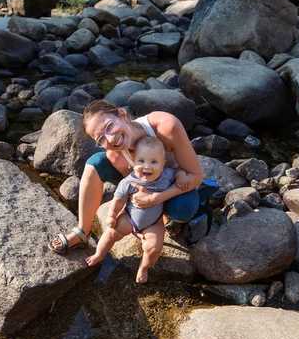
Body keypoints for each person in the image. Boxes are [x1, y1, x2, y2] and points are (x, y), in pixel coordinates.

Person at [48, 99, 204, 257]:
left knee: (183, 209)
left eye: (109, 126)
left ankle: (168, 215)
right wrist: (137, 221)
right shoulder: (116, 155)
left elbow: (196, 176)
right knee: (94, 163)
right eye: (101, 139)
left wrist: (155, 199)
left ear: (122, 114)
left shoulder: (165, 126)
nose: (110, 139)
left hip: (175, 182)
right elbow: (131, 190)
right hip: (146, 184)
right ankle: (82, 231)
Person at [86, 136, 177, 283]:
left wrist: (182, 175)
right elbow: (118, 201)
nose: (147, 166)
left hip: (153, 222)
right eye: (141, 161)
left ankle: (144, 267)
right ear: (133, 162)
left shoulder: (167, 175)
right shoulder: (128, 182)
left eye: (154, 162)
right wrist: (112, 216)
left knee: (154, 248)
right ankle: (99, 254)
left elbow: (178, 174)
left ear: (163, 164)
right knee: (110, 234)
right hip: (130, 217)